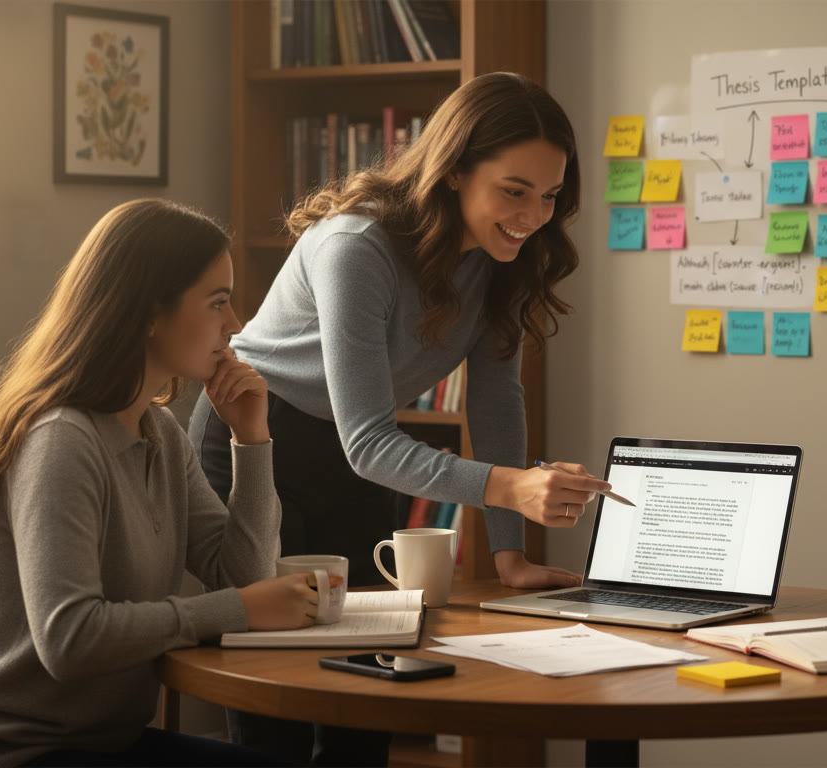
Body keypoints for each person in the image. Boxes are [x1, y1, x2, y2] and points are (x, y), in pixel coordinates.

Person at [187, 72, 610, 763]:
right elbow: (368, 442)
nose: (535, 216)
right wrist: (510, 487)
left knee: (365, 698)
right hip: (255, 439)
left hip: (352, 455)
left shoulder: (502, 256)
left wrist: (510, 554)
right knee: (280, 704)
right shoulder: (357, 248)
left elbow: (496, 399)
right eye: (514, 190)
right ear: (452, 172)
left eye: (551, 195)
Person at [0, 199, 331, 768]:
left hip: (104, 743)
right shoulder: (61, 440)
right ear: (148, 312)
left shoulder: (159, 432)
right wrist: (237, 608)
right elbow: (69, 641)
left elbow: (245, 573)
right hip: (12, 754)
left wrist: (252, 441)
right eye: (217, 302)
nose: (235, 325)